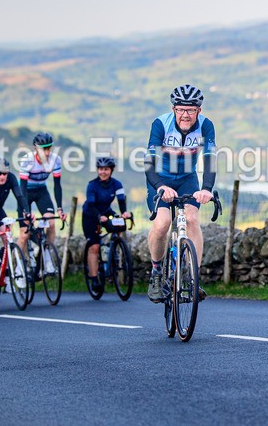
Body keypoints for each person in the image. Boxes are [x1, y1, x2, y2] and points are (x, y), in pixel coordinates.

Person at [144, 84, 217, 303]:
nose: (185, 114)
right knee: (162, 223)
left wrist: (206, 189)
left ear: (199, 111)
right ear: (174, 109)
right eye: (181, 109)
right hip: (160, 179)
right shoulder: (161, 124)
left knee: (193, 219)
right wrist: (159, 186)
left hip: (187, 179)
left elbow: (210, 159)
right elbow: (149, 162)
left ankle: (192, 276)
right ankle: (156, 272)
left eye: (191, 110)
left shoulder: (205, 126)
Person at [17, 132, 67, 267]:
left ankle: (47, 256)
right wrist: (25, 210)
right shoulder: (27, 160)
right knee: (24, 234)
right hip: (25, 193)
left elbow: (57, 185)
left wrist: (60, 209)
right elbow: (22, 188)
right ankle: (17, 266)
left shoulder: (55, 160)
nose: (46, 152)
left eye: (48, 148)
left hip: (41, 192)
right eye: (43, 149)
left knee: (50, 223)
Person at [82, 156, 131, 291]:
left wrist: (124, 212)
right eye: (101, 169)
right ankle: (94, 279)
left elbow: (121, 200)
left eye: (106, 169)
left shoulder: (117, 184)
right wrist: (99, 217)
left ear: (111, 170)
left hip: (106, 210)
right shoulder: (92, 185)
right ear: (97, 170)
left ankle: (114, 247)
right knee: (95, 247)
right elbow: (91, 205)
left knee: (119, 224)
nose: (103, 172)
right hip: (91, 214)